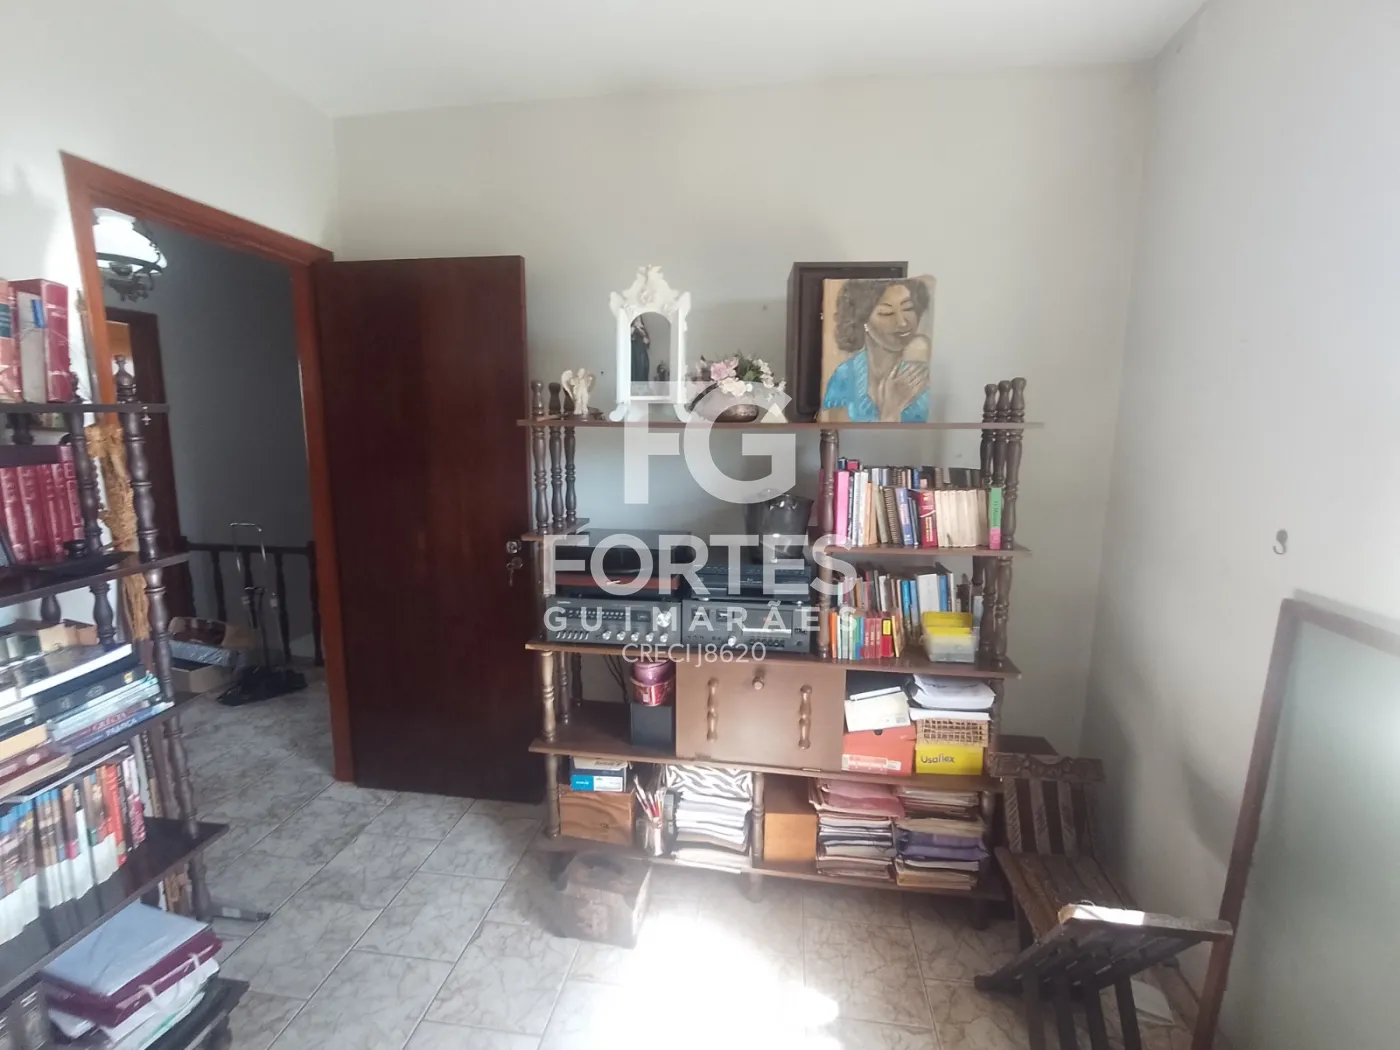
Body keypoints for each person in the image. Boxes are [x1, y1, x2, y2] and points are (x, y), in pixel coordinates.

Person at [821, 279, 932, 422]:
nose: (902, 322)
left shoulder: (926, 375)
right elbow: (836, 434)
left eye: (908, 309)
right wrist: (890, 412)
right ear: (862, 320)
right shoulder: (845, 376)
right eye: (887, 313)